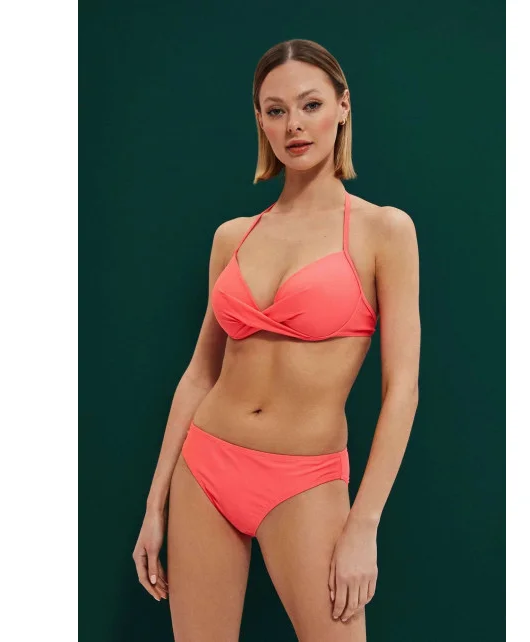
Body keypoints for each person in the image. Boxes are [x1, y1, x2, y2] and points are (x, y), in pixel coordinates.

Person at [132, 38, 420, 641]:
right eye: (276, 110)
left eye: (311, 104)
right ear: (260, 121)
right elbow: (199, 375)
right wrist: (154, 504)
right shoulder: (233, 236)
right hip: (205, 465)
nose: (294, 125)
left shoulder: (384, 231)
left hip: (306, 479)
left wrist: (364, 523)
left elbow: (402, 390)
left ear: (343, 106)